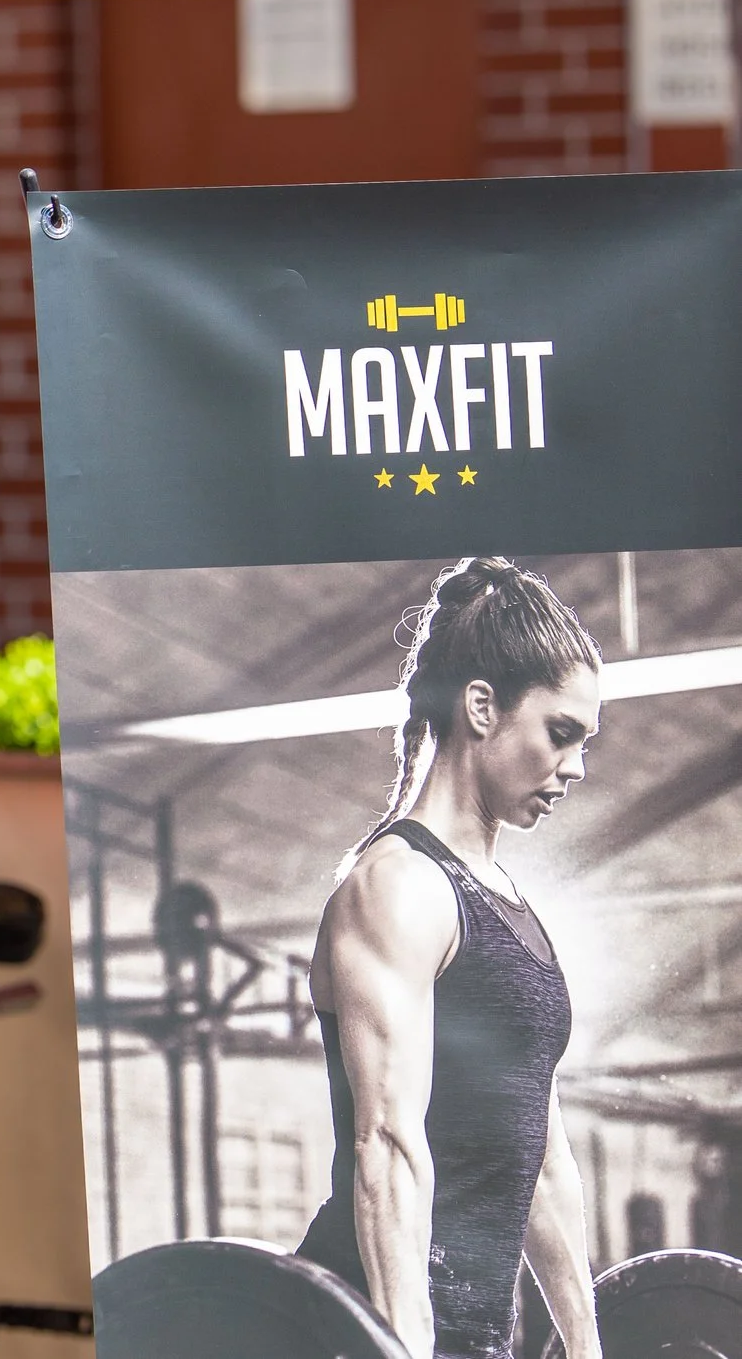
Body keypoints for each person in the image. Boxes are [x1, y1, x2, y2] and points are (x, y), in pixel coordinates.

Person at [297, 557, 604, 1359]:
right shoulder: (397, 887)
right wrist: (406, 1349)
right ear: (480, 706)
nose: (575, 767)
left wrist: (586, 1343)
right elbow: (387, 1143)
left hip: (470, 1337)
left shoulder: (506, 904)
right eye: (560, 733)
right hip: (368, 1329)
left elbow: (540, 1158)